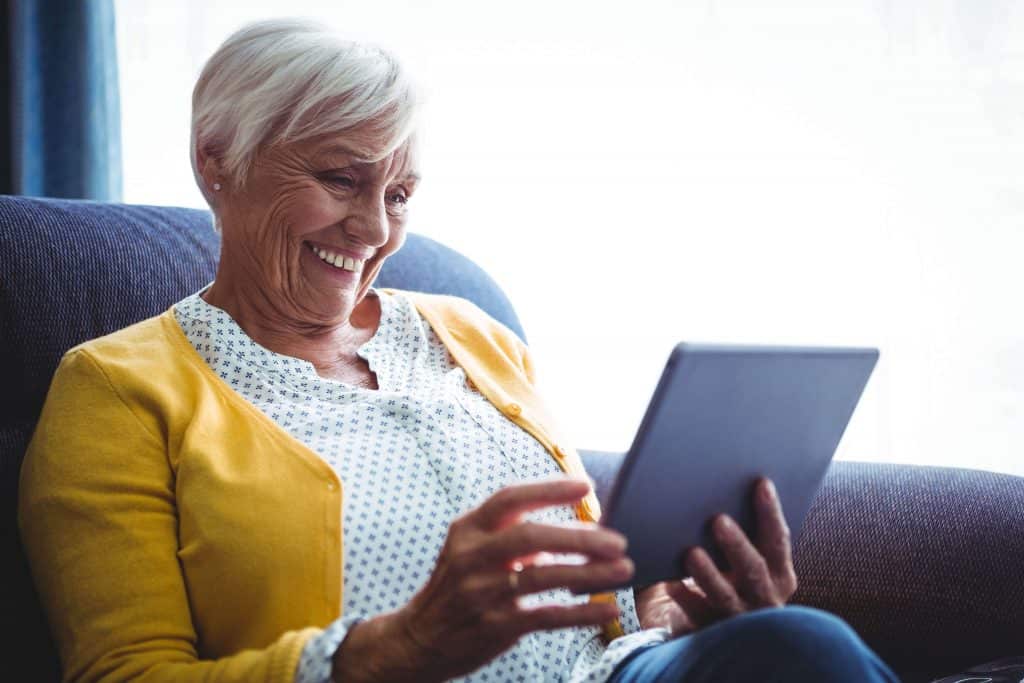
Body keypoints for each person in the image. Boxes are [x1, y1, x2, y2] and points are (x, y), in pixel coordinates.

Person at [18, 19, 899, 683]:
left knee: (790, 641)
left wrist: (688, 611)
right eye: (340, 179)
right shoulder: (118, 391)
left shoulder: (470, 331)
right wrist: (399, 646)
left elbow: (604, 600)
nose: (372, 230)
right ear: (217, 159)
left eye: (398, 192)